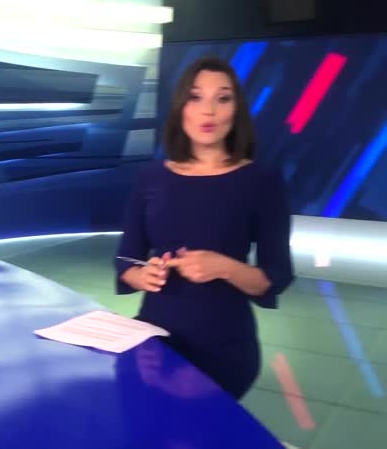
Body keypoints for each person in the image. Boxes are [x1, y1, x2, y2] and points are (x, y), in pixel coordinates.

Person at [114, 56, 294, 400]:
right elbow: (125, 261)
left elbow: (276, 276)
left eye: (222, 98)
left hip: (224, 348)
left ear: (236, 110)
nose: (208, 110)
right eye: (195, 97)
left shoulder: (262, 180)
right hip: (154, 344)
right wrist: (143, 275)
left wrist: (223, 267)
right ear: (181, 107)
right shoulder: (151, 177)